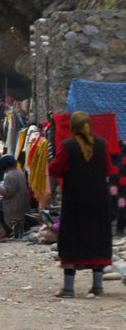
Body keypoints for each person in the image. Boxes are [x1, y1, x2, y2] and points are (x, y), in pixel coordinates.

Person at [48, 111, 115, 298]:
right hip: (99, 201)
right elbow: (109, 169)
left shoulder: (68, 146)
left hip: (75, 201)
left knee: (72, 237)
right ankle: (97, 286)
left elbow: (55, 168)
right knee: (97, 237)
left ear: (73, 127)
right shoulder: (101, 144)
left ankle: (68, 288)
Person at [0, 155, 30, 243]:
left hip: (15, 204)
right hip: (21, 202)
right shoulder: (19, 171)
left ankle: (1, 233)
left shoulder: (10, 175)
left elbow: (8, 192)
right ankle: (7, 230)